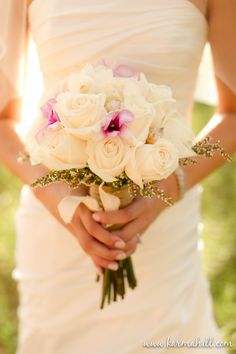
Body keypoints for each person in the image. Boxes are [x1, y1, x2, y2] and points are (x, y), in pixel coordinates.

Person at [0, 0, 235, 353]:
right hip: (58, 235)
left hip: (164, 233)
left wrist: (168, 189)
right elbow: (3, 120)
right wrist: (58, 198)